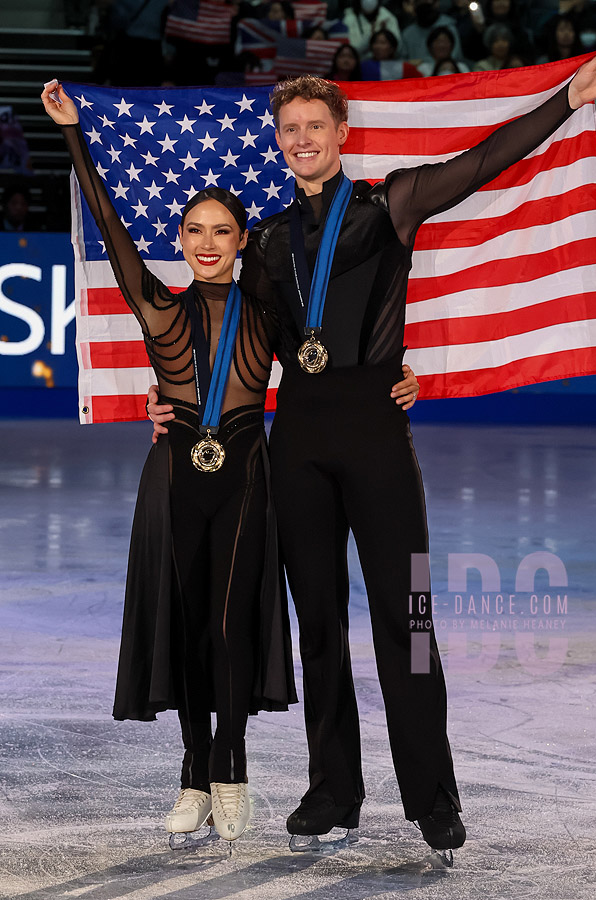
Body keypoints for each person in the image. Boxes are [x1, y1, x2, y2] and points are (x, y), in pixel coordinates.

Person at [149, 50, 596, 855]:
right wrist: (176, 408)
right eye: (290, 129)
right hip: (298, 445)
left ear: (342, 131)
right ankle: (332, 791)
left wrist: (569, 99)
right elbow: (235, 344)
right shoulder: (265, 242)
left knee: (408, 622)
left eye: (315, 126)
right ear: (278, 140)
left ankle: (433, 798)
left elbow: (485, 161)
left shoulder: (391, 204)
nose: (303, 139)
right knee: (321, 629)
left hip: (377, 440)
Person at [40, 81, 300, 846]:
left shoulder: (269, 312)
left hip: (248, 470)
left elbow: (331, 362)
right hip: (176, 473)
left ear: (244, 238)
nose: (208, 242)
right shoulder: (158, 305)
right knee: (187, 627)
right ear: (181, 240)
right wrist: (73, 135)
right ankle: (192, 771)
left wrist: (400, 376)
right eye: (194, 231)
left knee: (229, 626)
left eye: (222, 230)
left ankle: (232, 765)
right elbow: (108, 222)